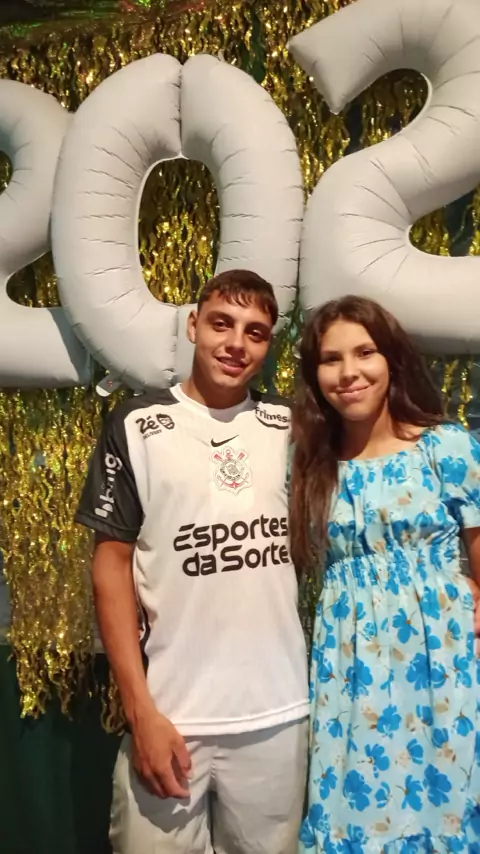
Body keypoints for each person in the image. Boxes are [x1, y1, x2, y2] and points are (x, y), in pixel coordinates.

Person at [75, 269, 309, 854]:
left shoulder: (291, 426)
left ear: (268, 345)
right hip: (171, 717)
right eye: (222, 324)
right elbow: (111, 567)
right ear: (193, 325)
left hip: (277, 718)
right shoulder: (136, 423)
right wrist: (140, 712)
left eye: (255, 332)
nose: (236, 343)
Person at [289, 295, 480, 853]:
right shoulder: (312, 465)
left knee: (446, 801)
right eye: (331, 359)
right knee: (357, 808)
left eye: (364, 352)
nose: (349, 372)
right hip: (350, 664)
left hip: (443, 663)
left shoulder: (445, 447)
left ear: (391, 359)